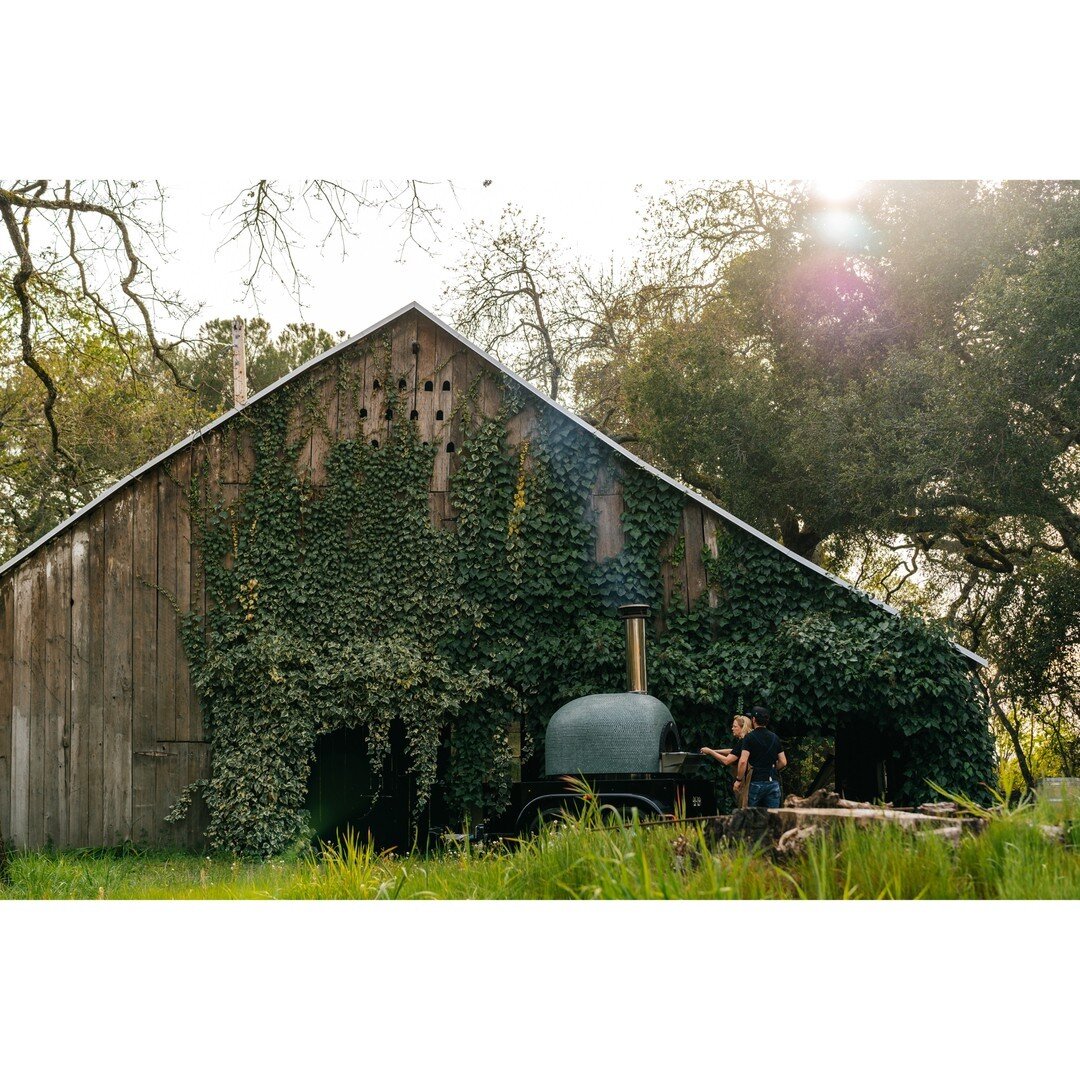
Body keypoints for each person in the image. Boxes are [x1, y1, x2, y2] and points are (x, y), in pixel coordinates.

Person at [734, 706, 786, 809]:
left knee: (752, 817)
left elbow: (743, 761)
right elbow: (783, 762)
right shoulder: (775, 737)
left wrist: (738, 780)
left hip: (755, 782)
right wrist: (773, 769)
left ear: (753, 719)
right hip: (773, 782)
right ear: (767, 721)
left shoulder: (749, 737)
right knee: (772, 817)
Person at [701, 715, 754, 807]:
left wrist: (710, 752)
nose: (732, 728)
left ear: (742, 727)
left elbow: (727, 761)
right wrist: (714, 751)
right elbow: (733, 751)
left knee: (744, 806)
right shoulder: (747, 740)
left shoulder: (744, 741)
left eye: (735, 726)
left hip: (745, 779)